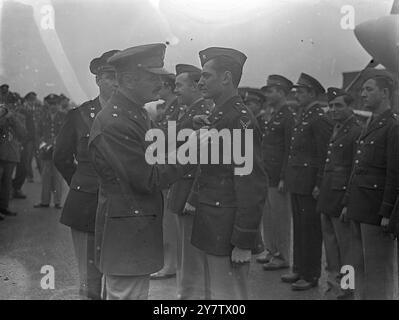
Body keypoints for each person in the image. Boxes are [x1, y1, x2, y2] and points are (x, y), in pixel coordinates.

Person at [87, 43, 206, 300]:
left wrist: (187, 128)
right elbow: (148, 178)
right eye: (152, 76)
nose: (160, 82)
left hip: (132, 225)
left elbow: (155, 140)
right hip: (127, 229)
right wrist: (191, 150)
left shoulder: (132, 111)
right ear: (129, 79)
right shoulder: (116, 122)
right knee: (128, 295)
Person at [187, 47, 267, 300]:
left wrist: (244, 239)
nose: (200, 82)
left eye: (206, 76)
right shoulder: (219, 114)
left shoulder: (239, 119)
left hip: (227, 225)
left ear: (226, 78)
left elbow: (251, 182)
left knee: (229, 297)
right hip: (213, 219)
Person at [53, 49, 119, 299]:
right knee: (89, 284)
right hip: (86, 207)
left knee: (119, 282)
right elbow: (61, 157)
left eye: (121, 77)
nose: (116, 83)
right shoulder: (79, 115)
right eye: (110, 76)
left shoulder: (136, 117)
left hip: (122, 210)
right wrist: (81, 183)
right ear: (98, 80)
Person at [342, 69, 399, 300]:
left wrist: (387, 212)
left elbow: (394, 174)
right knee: (360, 267)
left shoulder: (393, 127)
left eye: (369, 89)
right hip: (359, 207)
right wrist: (348, 202)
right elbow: (357, 168)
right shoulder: (370, 124)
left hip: (376, 211)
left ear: (385, 93)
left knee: (378, 271)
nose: (362, 94)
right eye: (362, 90)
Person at [282, 73, 333, 290]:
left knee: (310, 230)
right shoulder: (304, 116)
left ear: (312, 93)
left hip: (310, 183)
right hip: (299, 181)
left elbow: (324, 155)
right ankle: (300, 269)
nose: (297, 95)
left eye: (301, 91)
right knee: (300, 228)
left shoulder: (319, 118)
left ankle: (311, 274)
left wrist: (319, 183)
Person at [167, 63, 213, 299]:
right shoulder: (188, 111)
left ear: (195, 86)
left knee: (192, 257)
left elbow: (204, 161)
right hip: (181, 187)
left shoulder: (203, 112)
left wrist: (193, 197)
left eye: (179, 85)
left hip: (190, 192)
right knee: (185, 255)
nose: (175, 90)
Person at [316, 87, 361, 299]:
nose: (333, 109)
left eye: (339, 106)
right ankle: (334, 286)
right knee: (331, 247)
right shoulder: (337, 128)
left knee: (347, 249)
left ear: (350, 107)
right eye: (331, 106)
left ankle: (348, 288)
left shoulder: (355, 131)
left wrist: (347, 202)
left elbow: (354, 170)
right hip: (328, 196)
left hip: (341, 197)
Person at [257, 75, 294, 271]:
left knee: (280, 218)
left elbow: (289, 149)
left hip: (277, 176)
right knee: (269, 216)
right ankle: (271, 250)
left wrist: (284, 177)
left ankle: (283, 255)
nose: (267, 94)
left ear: (281, 92)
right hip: (267, 174)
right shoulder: (273, 114)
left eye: (271, 90)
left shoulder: (288, 115)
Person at [150, 70, 180, 280]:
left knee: (170, 221)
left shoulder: (177, 108)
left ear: (168, 87)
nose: (156, 89)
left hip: (171, 168)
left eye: (160, 85)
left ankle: (171, 264)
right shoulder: (166, 109)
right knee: (165, 219)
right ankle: (168, 262)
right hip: (163, 166)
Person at [34, 94, 65, 209]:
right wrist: (43, 144)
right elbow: (38, 133)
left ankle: (57, 202)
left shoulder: (64, 116)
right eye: (51, 104)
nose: (53, 106)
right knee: (46, 176)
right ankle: (45, 201)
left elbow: (67, 134)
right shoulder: (43, 117)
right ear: (48, 105)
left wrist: (57, 142)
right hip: (46, 151)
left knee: (57, 177)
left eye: (55, 104)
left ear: (58, 104)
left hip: (58, 152)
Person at [0, 93, 27, 219]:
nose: (11, 106)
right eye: (9, 103)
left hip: (11, 154)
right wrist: (4, 117)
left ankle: (4, 207)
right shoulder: (1, 115)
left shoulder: (19, 117)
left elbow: (23, 133)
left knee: (7, 183)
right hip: (1, 153)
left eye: (13, 103)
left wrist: (13, 118)